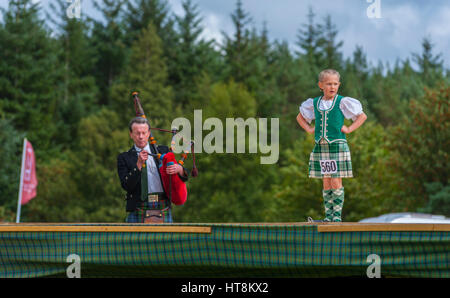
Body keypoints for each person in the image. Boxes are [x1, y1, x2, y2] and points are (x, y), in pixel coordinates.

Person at [296, 69, 367, 222]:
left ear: (339, 85)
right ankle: (328, 216)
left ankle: (337, 217)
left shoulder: (342, 102)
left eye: (335, 84)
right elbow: (300, 117)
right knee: (326, 180)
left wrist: (349, 129)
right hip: (321, 146)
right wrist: (309, 129)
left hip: (337, 145)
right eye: (329, 84)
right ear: (321, 85)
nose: (332, 87)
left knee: (336, 180)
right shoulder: (315, 103)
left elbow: (362, 116)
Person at [117, 117, 188, 223]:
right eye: (137, 133)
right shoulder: (124, 157)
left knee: (165, 240)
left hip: (163, 205)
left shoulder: (162, 151)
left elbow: (180, 176)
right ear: (131, 134)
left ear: (149, 133)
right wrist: (138, 165)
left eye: (144, 133)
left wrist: (180, 169)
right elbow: (126, 185)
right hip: (138, 206)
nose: (141, 137)